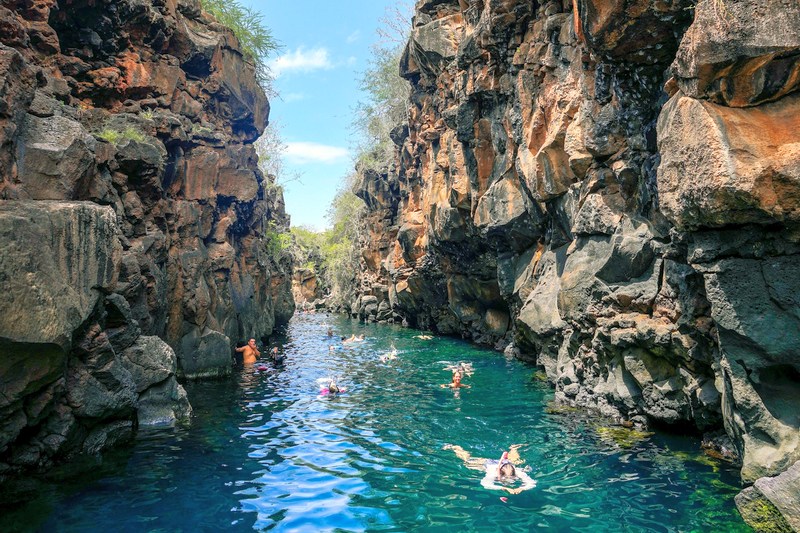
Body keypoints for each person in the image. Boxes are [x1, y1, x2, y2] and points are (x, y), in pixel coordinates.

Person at [444, 444, 536, 495]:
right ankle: (456, 447)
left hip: (506, 462)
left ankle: (513, 448)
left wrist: (522, 488)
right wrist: (503, 487)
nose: (509, 479)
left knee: (514, 461)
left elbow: (531, 482)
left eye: (511, 477)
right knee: (467, 462)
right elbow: (485, 484)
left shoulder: (518, 472)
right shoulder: (492, 472)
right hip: (489, 463)